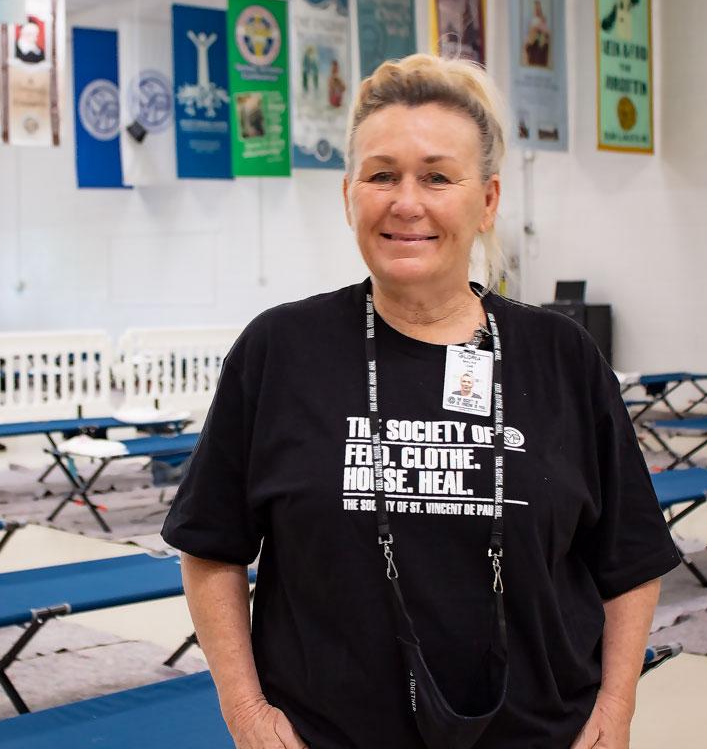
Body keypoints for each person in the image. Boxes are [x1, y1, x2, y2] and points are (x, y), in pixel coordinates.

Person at [162, 53, 678, 749]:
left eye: (437, 176)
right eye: (382, 176)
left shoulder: (560, 356)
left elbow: (630, 558)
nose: (407, 202)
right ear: (349, 194)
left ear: (487, 199)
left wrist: (616, 709)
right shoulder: (280, 350)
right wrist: (245, 710)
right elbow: (211, 549)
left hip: (538, 734)